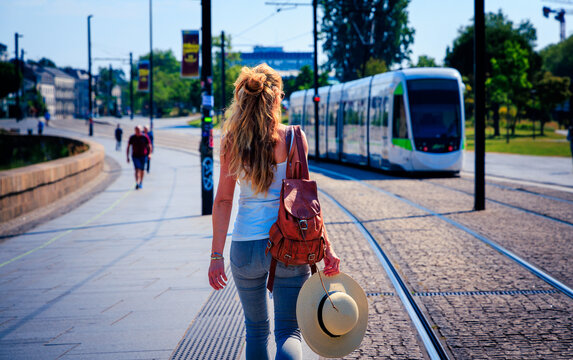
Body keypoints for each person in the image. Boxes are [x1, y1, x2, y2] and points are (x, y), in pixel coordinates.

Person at [208, 64, 340, 360]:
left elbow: (223, 202)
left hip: (244, 248)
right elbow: (308, 204)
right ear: (277, 97)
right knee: (288, 332)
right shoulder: (294, 138)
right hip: (287, 246)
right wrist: (327, 249)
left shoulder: (231, 141)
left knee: (255, 330)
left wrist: (216, 255)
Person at [126, 125, 152, 189]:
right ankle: (137, 183)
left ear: (141, 130)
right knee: (137, 169)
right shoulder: (132, 137)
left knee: (142, 170)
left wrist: (149, 154)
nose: (138, 131)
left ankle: (141, 182)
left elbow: (149, 146)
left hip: (143, 155)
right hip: (135, 156)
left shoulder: (145, 137)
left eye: (139, 130)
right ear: (135, 130)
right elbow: (128, 147)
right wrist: (127, 157)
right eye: (136, 130)